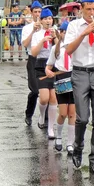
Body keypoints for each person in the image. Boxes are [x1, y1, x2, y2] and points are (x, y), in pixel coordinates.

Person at [63, 0, 94, 175]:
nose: (92, 12)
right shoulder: (74, 26)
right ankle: (77, 147)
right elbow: (68, 50)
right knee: (82, 118)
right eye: (89, 9)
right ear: (81, 9)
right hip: (80, 73)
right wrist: (84, 33)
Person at [45, 21, 75, 154]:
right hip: (62, 79)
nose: (66, 34)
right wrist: (48, 71)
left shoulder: (76, 47)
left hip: (74, 79)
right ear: (60, 33)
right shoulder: (55, 49)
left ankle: (70, 143)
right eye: (63, 32)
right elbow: (49, 66)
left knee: (72, 114)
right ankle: (58, 137)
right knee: (63, 113)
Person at [30, 7, 58, 138]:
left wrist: (55, 39)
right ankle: (42, 116)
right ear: (40, 21)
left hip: (53, 65)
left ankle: (51, 128)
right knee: (44, 98)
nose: (48, 21)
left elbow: (60, 51)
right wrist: (42, 41)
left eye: (50, 18)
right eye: (46, 19)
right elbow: (34, 53)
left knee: (53, 98)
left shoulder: (56, 32)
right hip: (41, 65)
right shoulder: (37, 35)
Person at [22, 1, 44, 126]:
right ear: (31, 13)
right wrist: (33, 32)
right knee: (35, 90)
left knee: (47, 90)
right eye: (35, 12)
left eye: (39, 12)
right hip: (33, 59)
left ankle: (45, 118)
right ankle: (29, 114)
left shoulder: (46, 25)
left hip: (45, 59)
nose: (37, 14)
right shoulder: (27, 28)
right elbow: (25, 44)